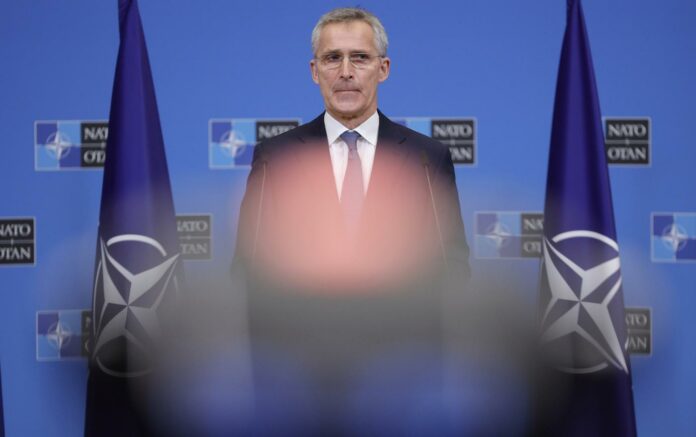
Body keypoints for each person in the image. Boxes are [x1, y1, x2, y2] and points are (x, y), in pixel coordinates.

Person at [232, 7, 470, 434]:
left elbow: (452, 269)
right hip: (300, 387)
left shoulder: (426, 157)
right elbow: (249, 271)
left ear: (383, 68)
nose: (345, 71)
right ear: (313, 70)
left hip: (402, 384)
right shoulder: (278, 157)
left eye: (359, 58)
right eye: (332, 58)